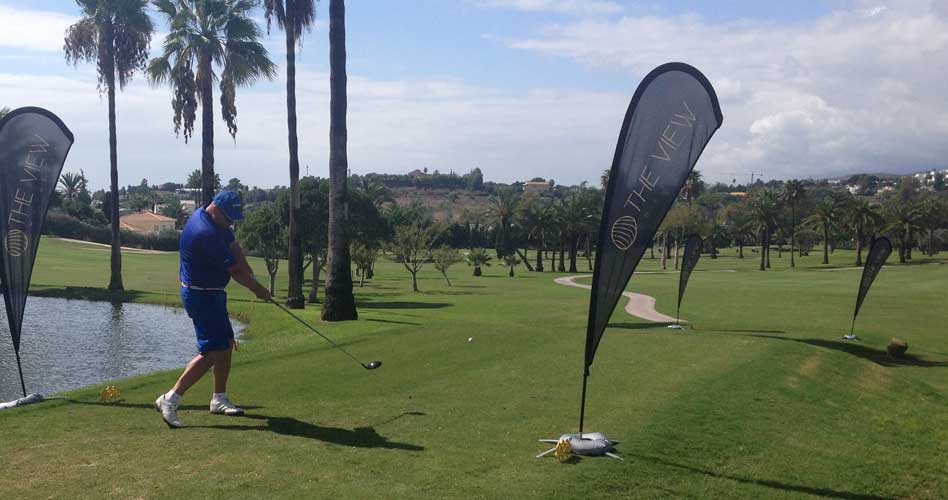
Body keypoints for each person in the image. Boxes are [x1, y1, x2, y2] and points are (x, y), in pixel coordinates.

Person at [154, 191, 271, 428]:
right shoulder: (205, 232)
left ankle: (219, 399)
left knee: (226, 343)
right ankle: (170, 398)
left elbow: (233, 244)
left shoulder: (212, 218)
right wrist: (257, 289)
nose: (231, 223)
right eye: (230, 218)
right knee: (212, 352)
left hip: (212, 292)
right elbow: (235, 272)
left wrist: (251, 273)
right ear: (216, 209)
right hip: (200, 295)